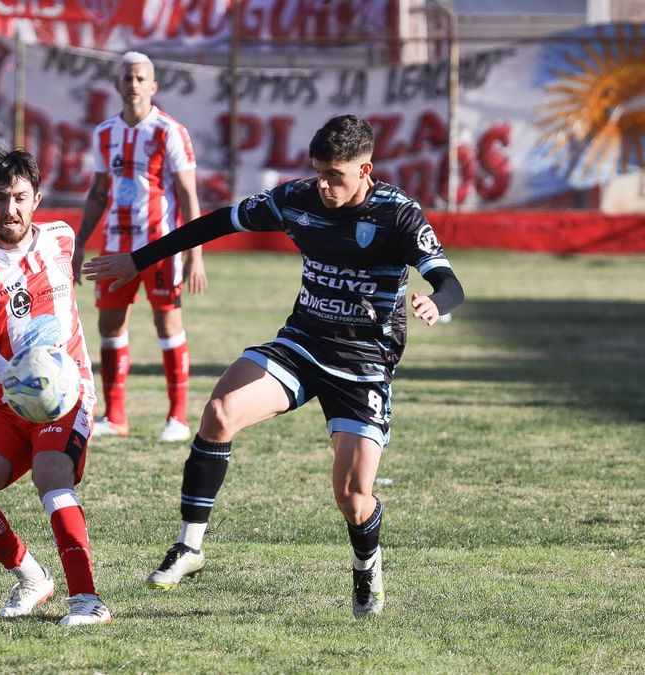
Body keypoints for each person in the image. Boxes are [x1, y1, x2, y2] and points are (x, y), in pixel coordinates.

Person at [83, 114, 465, 618]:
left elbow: (449, 280)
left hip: (364, 363)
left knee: (353, 498)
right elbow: (219, 221)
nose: (325, 186)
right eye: (320, 172)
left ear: (366, 169)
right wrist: (140, 258)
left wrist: (439, 303)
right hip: (303, 344)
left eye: (337, 176)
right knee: (220, 412)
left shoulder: (399, 215)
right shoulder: (297, 199)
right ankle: (190, 546)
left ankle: (366, 566)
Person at [0, 149, 112, 626]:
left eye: (20, 198)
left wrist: (49, 372)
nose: (10, 209)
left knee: (51, 473)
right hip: (9, 397)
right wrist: (16, 379)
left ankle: (87, 601)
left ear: (37, 199)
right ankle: (33, 577)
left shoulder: (61, 238)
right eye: (0, 198)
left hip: (67, 391)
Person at [72, 51, 207, 443]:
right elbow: (98, 193)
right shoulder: (103, 134)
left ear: (153, 87)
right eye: (127, 78)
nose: (133, 85)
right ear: (118, 85)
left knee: (168, 324)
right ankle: (115, 417)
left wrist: (194, 253)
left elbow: (187, 194)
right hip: (115, 247)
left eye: (140, 78)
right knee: (110, 327)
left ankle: (178, 419)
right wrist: (81, 243)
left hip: (161, 247)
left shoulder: (170, 132)